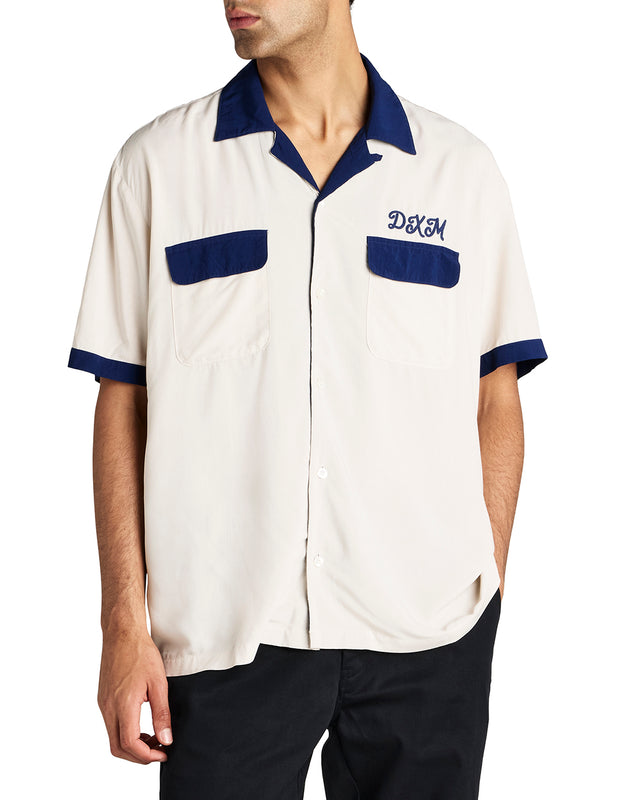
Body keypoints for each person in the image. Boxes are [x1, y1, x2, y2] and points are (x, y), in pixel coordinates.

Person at [67, 1, 548, 797]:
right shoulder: (159, 165)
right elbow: (124, 400)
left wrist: (483, 591)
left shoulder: (459, 172)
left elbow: (495, 395)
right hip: (227, 634)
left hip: (428, 640)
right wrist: (123, 624)